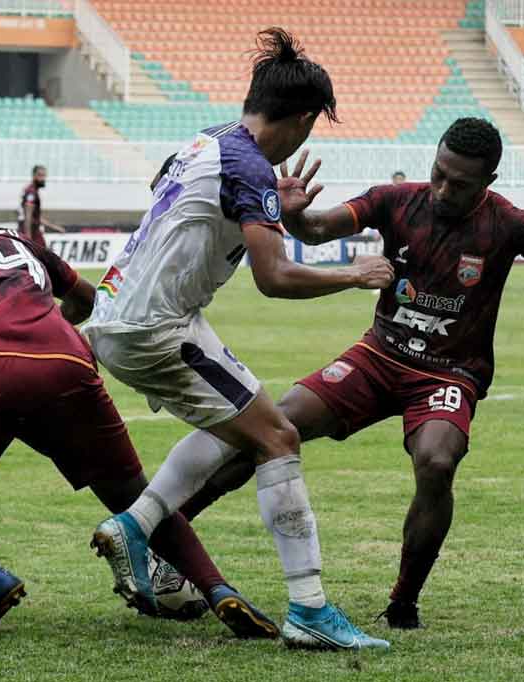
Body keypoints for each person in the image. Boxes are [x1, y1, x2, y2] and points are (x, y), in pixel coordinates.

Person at [174, 117, 524, 631]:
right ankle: (168, 538)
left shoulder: (508, 222)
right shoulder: (395, 200)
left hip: (450, 374)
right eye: (437, 172)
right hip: (379, 355)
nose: (440, 188)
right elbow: (314, 230)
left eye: (458, 183)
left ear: (488, 182)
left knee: (436, 460)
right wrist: (291, 214)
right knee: (275, 426)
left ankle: (404, 600)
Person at [81, 28, 394, 651]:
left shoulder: (210, 140)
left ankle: (137, 525)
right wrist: (354, 273)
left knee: (243, 421)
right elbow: (274, 279)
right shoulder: (249, 168)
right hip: (157, 329)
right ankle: (309, 609)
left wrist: (264, 203)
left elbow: (167, 199)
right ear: (304, 118)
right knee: (277, 437)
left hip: (118, 312)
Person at [0, 190, 277, 640]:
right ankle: (218, 589)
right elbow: (86, 297)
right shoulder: (15, 240)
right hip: (69, 363)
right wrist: (46, 333)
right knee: (131, 495)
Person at [17, 165, 65, 249]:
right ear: (34, 176)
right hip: (31, 233)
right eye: (40, 175)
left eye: (44, 176)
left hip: (35, 232)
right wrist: (28, 239)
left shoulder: (33, 191)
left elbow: (35, 217)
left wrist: (54, 227)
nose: (43, 179)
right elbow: (28, 217)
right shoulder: (31, 192)